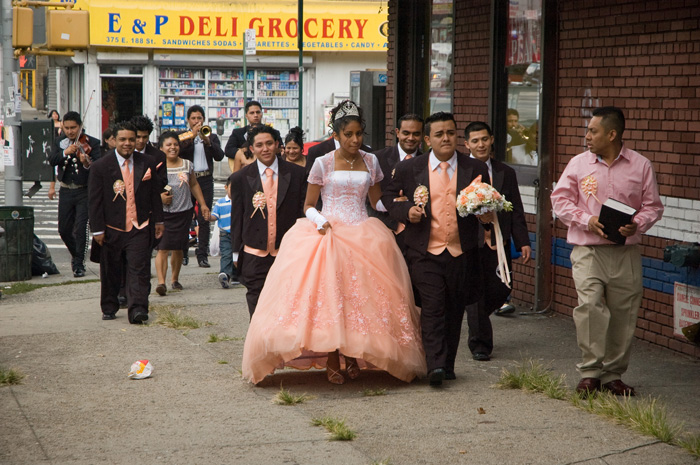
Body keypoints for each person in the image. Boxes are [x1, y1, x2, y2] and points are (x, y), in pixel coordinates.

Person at [241, 100, 426, 386]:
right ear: (336, 135)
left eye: (359, 134)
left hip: (364, 233)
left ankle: (353, 355)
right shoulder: (322, 162)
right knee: (329, 299)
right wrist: (319, 221)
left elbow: (376, 201)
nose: (355, 140)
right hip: (327, 234)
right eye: (349, 134)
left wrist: (401, 206)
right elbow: (309, 204)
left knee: (357, 299)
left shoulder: (371, 160)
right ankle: (331, 356)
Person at [551, 106, 663, 396]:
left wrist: (636, 224)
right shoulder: (578, 164)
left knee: (623, 314)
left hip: (625, 253)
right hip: (588, 250)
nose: (587, 136)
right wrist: (586, 219)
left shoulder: (641, 166)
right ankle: (590, 372)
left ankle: (613, 375)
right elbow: (560, 201)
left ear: (612, 134)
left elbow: (653, 206)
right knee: (589, 309)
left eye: (593, 131)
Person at [382, 111, 491, 386]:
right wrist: (407, 211)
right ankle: (435, 366)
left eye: (451, 133)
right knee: (432, 306)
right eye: (440, 134)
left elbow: (485, 202)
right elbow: (387, 197)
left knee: (454, 307)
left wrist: (485, 213)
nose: (446, 138)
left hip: (460, 249)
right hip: (425, 251)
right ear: (428, 139)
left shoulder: (474, 168)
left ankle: (448, 364)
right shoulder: (411, 168)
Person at [463, 121, 531, 361]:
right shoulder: (462, 170)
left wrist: (523, 240)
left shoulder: (505, 172)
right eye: (475, 140)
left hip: (499, 243)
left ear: (491, 140)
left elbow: (517, 210)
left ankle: (478, 316)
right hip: (472, 243)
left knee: (503, 287)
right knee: (476, 294)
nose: (480, 144)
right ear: (467, 144)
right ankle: (480, 343)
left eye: (484, 139)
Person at [88, 121, 164, 323]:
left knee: (139, 269)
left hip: (140, 226)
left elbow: (155, 194)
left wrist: (159, 221)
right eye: (123, 139)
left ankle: (138, 309)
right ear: (114, 141)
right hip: (112, 227)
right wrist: (97, 230)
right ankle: (109, 305)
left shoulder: (146, 162)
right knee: (111, 269)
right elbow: (95, 201)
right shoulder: (100, 167)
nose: (128, 144)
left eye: (132, 139)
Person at [229, 125, 307, 317]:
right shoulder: (240, 178)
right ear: (252, 148)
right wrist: (235, 253)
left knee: (287, 303)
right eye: (259, 145)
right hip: (254, 252)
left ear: (278, 145)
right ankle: (259, 345)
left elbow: (303, 213)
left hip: (287, 252)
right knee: (256, 304)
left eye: (269, 143)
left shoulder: (297, 174)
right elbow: (237, 216)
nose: (265, 149)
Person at [154, 131, 210, 296]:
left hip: (183, 212)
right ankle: (161, 282)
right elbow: (147, 189)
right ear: (161, 147)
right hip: (162, 213)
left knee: (178, 247)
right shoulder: (156, 165)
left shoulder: (187, 164)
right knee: (162, 248)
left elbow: (193, 184)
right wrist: (160, 198)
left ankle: (174, 279)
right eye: (168, 145)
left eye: (175, 144)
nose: (172, 148)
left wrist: (203, 204)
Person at [49, 111, 102, 278]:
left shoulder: (92, 142)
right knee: (64, 229)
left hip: (84, 190)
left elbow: (98, 166)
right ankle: (76, 254)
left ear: (80, 126)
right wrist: (65, 152)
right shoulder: (59, 142)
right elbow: (52, 159)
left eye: (74, 128)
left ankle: (79, 264)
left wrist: (86, 161)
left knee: (81, 227)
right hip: (66, 189)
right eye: (67, 128)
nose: (70, 131)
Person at [178, 105, 225, 268]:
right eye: (193, 118)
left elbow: (220, 156)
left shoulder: (209, 135)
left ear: (203, 119)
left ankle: (202, 255)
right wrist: (191, 137)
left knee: (204, 217)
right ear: (188, 120)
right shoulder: (183, 136)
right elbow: (178, 152)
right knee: (184, 216)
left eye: (199, 118)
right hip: (186, 179)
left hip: (205, 179)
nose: (197, 121)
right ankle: (183, 253)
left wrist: (208, 142)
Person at [372, 114, 424, 236]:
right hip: (383, 231)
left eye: (416, 134)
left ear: (422, 135)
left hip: (417, 233)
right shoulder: (377, 159)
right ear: (397, 132)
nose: (411, 138)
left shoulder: (427, 162)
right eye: (406, 133)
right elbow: (368, 202)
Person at [210, 178, 239, 288]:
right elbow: (215, 216)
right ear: (226, 187)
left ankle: (236, 275)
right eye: (232, 188)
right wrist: (209, 217)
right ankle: (225, 274)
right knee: (227, 255)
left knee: (237, 255)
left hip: (239, 234)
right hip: (225, 234)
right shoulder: (221, 202)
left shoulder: (240, 201)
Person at [224, 100, 263, 172]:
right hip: (244, 170)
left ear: (261, 114)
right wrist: (246, 153)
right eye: (252, 113)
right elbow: (228, 150)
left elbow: (280, 151)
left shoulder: (272, 133)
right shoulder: (238, 133)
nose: (255, 115)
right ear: (246, 116)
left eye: (258, 112)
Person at [47, 110, 62, 201]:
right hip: (53, 145)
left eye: (56, 114)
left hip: (60, 146)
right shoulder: (50, 124)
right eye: (53, 114)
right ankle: (52, 186)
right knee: (54, 167)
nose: (55, 115)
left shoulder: (61, 124)